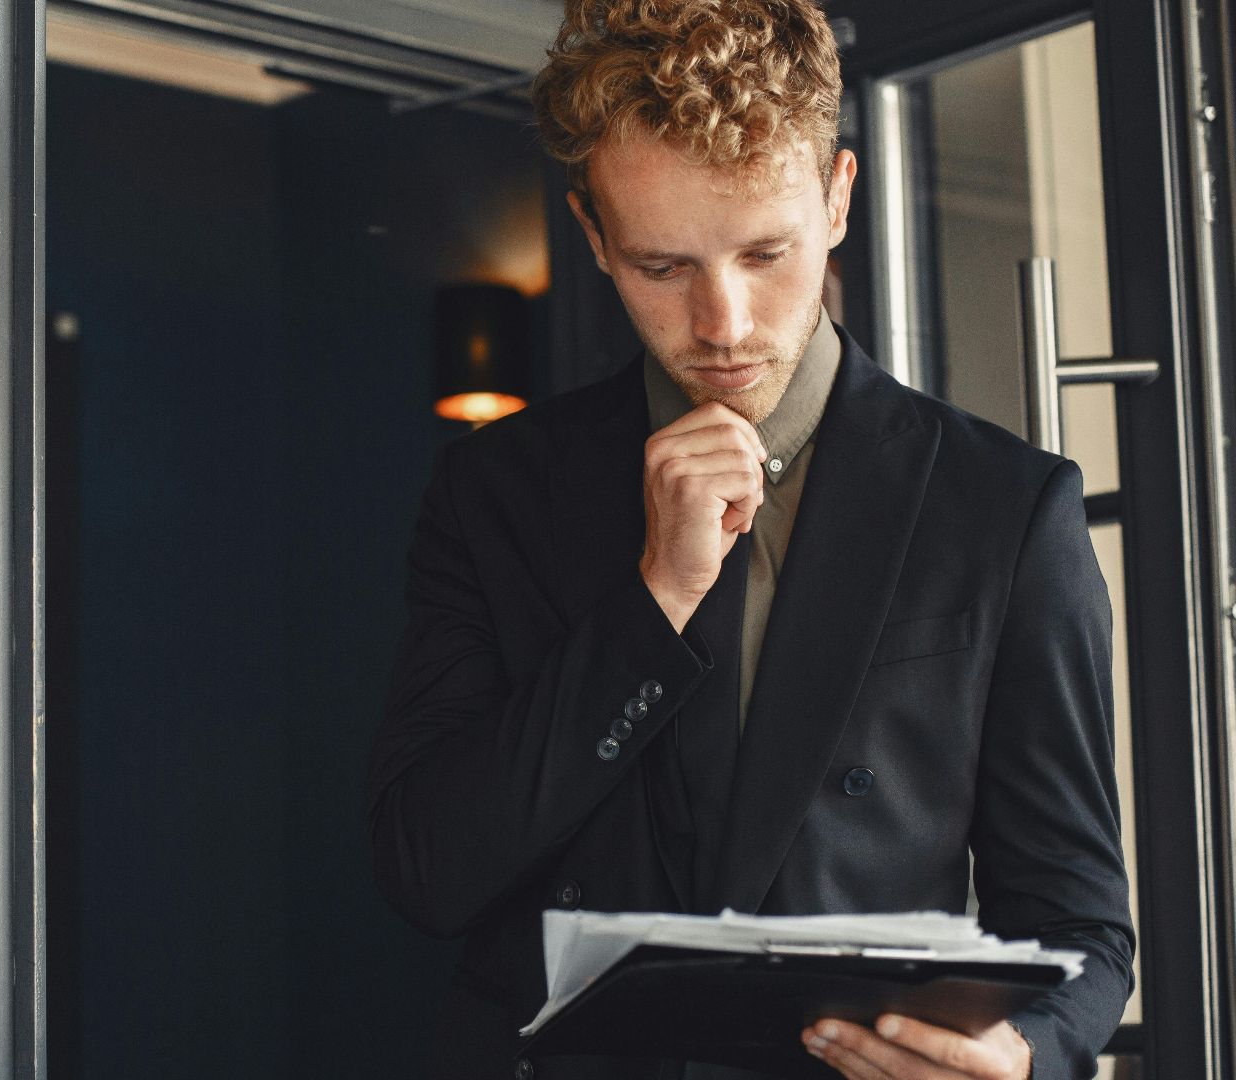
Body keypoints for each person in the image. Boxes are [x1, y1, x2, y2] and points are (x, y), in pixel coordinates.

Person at [363, 1, 1135, 1077]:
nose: (722, 325)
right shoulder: (498, 489)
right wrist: (654, 600)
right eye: (662, 267)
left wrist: (1024, 1055)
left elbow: (1082, 925)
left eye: (766, 252)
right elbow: (427, 869)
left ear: (838, 198)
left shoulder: (1002, 509)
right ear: (592, 235)